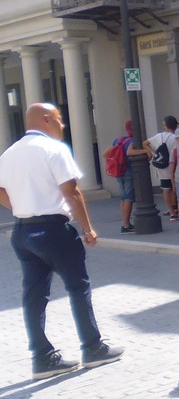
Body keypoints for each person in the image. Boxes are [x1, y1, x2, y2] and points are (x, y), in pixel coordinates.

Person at [0, 103, 123, 379]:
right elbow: (72, 192)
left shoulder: (10, 153)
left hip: (23, 231)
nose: (62, 125)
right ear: (46, 119)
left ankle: (42, 358)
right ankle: (92, 348)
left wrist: (21, 206)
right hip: (53, 229)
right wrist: (88, 228)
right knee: (78, 286)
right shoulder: (54, 149)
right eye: (58, 119)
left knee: (34, 295)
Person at [146, 115, 179, 221]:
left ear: (165, 126)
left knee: (166, 189)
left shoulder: (159, 136)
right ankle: (176, 207)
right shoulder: (175, 138)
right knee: (174, 186)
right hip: (173, 164)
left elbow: (145, 143)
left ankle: (171, 210)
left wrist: (155, 153)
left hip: (162, 165)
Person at [111, 120, 138, 232]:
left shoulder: (118, 140)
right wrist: (145, 151)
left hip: (118, 170)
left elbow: (106, 153)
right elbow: (129, 152)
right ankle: (126, 224)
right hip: (128, 170)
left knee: (123, 197)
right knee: (129, 197)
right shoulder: (133, 141)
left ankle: (124, 222)